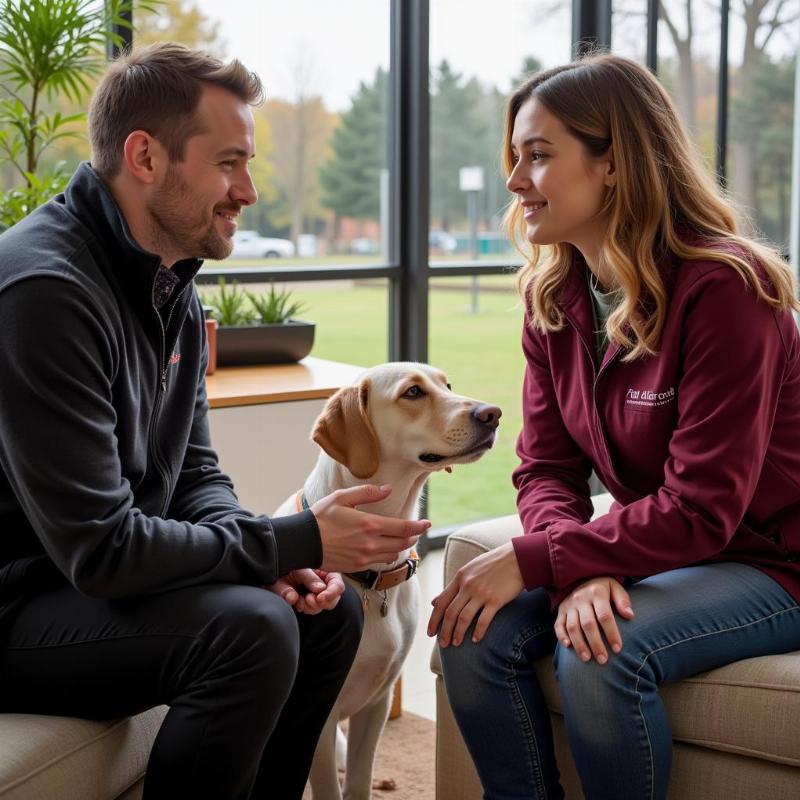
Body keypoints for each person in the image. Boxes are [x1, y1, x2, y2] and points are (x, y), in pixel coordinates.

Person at [0, 42, 429, 800]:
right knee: (251, 631)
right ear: (145, 156)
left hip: (79, 587)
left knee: (323, 616)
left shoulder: (172, 289)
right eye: (230, 162)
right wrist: (294, 537)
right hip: (17, 606)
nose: (250, 191)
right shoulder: (45, 292)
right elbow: (102, 551)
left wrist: (282, 560)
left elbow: (195, 474)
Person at [428, 52, 800, 800]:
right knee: (469, 626)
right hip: (665, 547)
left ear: (614, 164)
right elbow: (547, 470)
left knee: (599, 651)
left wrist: (546, 561)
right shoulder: (556, 294)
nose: (514, 181)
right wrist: (578, 562)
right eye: (514, 156)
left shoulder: (727, 290)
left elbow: (704, 506)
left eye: (538, 156)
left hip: (772, 559)